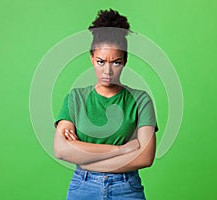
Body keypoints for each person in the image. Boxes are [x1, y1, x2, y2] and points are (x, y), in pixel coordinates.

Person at [53, 8, 158, 200]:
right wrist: (122, 149)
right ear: (92, 58)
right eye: (101, 61)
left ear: (125, 61)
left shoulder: (140, 100)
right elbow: (62, 150)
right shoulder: (75, 98)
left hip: (127, 188)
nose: (107, 71)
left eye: (116, 62)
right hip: (82, 187)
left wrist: (85, 157)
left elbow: (145, 157)